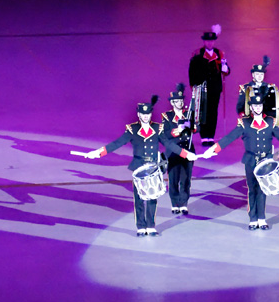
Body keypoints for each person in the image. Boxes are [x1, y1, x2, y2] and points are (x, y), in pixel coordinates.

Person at [80, 95, 195, 237]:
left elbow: (169, 144)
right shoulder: (132, 129)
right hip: (139, 167)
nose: (146, 117)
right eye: (143, 114)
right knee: (139, 198)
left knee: (152, 197)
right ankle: (141, 226)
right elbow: (117, 143)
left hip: (153, 166)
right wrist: (98, 152)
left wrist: (185, 154)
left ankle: (151, 225)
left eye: (148, 114)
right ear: (139, 114)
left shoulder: (157, 128)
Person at [202, 93, 279, 230]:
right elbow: (230, 137)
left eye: (259, 105)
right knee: (252, 190)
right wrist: (213, 149)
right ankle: (253, 219)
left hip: (265, 161)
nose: (257, 108)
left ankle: (262, 219)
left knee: (263, 190)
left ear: (262, 106)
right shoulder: (245, 123)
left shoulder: (270, 122)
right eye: (255, 105)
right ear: (251, 107)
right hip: (251, 161)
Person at [188, 24, 231, 145]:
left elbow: (226, 71)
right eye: (207, 41)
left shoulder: (219, 53)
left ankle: (210, 137)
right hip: (202, 88)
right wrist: (194, 86)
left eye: (212, 41)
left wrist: (225, 68)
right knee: (203, 112)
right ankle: (204, 137)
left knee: (213, 112)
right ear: (204, 41)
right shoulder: (197, 54)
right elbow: (192, 72)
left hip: (215, 88)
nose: (210, 43)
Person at [161, 82, 194, 215]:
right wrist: (177, 130)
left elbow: (197, 128)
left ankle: (184, 203)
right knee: (173, 179)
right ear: (172, 103)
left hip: (188, 150)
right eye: (177, 101)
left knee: (186, 179)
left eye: (181, 101)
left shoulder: (189, 114)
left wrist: (194, 127)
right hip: (173, 152)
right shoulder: (167, 116)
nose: (179, 103)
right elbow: (165, 134)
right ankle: (175, 203)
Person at [237, 55, 279, 123]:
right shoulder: (246, 88)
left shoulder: (269, 87)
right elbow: (240, 106)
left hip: (266, 120)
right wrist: (245, 117)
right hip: (251, 120)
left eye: (261, 74)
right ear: (253, 75)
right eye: (257, 74)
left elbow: (273, 105)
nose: (259, 77)